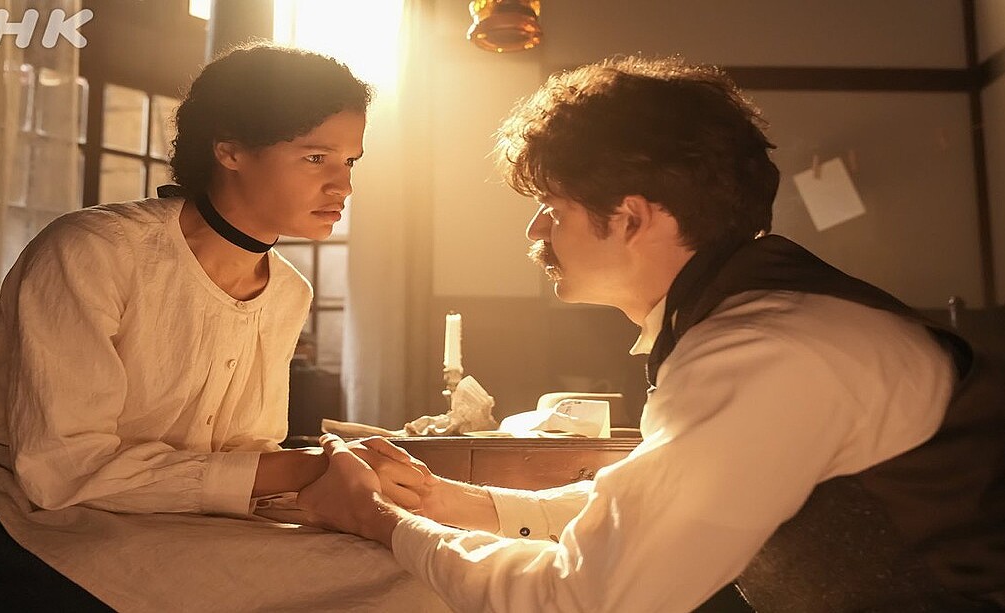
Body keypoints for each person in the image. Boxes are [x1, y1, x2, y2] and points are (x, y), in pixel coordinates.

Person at [296, 56, 1005, 612]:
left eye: (552, 207)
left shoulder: (765, 350)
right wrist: (445, 502)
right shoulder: (753, 319)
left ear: (632, 218)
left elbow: (584, 598)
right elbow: (650, 506)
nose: (535, 230)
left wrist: (381, 522)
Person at [0, 42, 440, 611]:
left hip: (160, 514)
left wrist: (327, 485)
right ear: (229, 150)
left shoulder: (289, 292)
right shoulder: (93, 250)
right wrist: (310, 465)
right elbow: (62, 470)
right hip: (5, 516)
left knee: (412, 567)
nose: (343, 186)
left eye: (350, 162)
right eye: (316, 158)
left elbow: (243, 452)